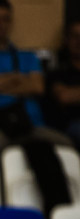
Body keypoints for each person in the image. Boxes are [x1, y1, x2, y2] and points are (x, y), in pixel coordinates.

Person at [0, 0, 72, 215]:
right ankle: (4, 212)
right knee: (6, 148)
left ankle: (64, 214)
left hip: (30, 124)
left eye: (5, 19)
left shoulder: (27, 57)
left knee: (65, 144)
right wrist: (17, 80)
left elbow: (37, 86)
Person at [46, 19, 80, 149]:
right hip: (70, 125)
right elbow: (64, 96)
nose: (79, 41)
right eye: (75, 36)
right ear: (66, 40)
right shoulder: (57, 72)